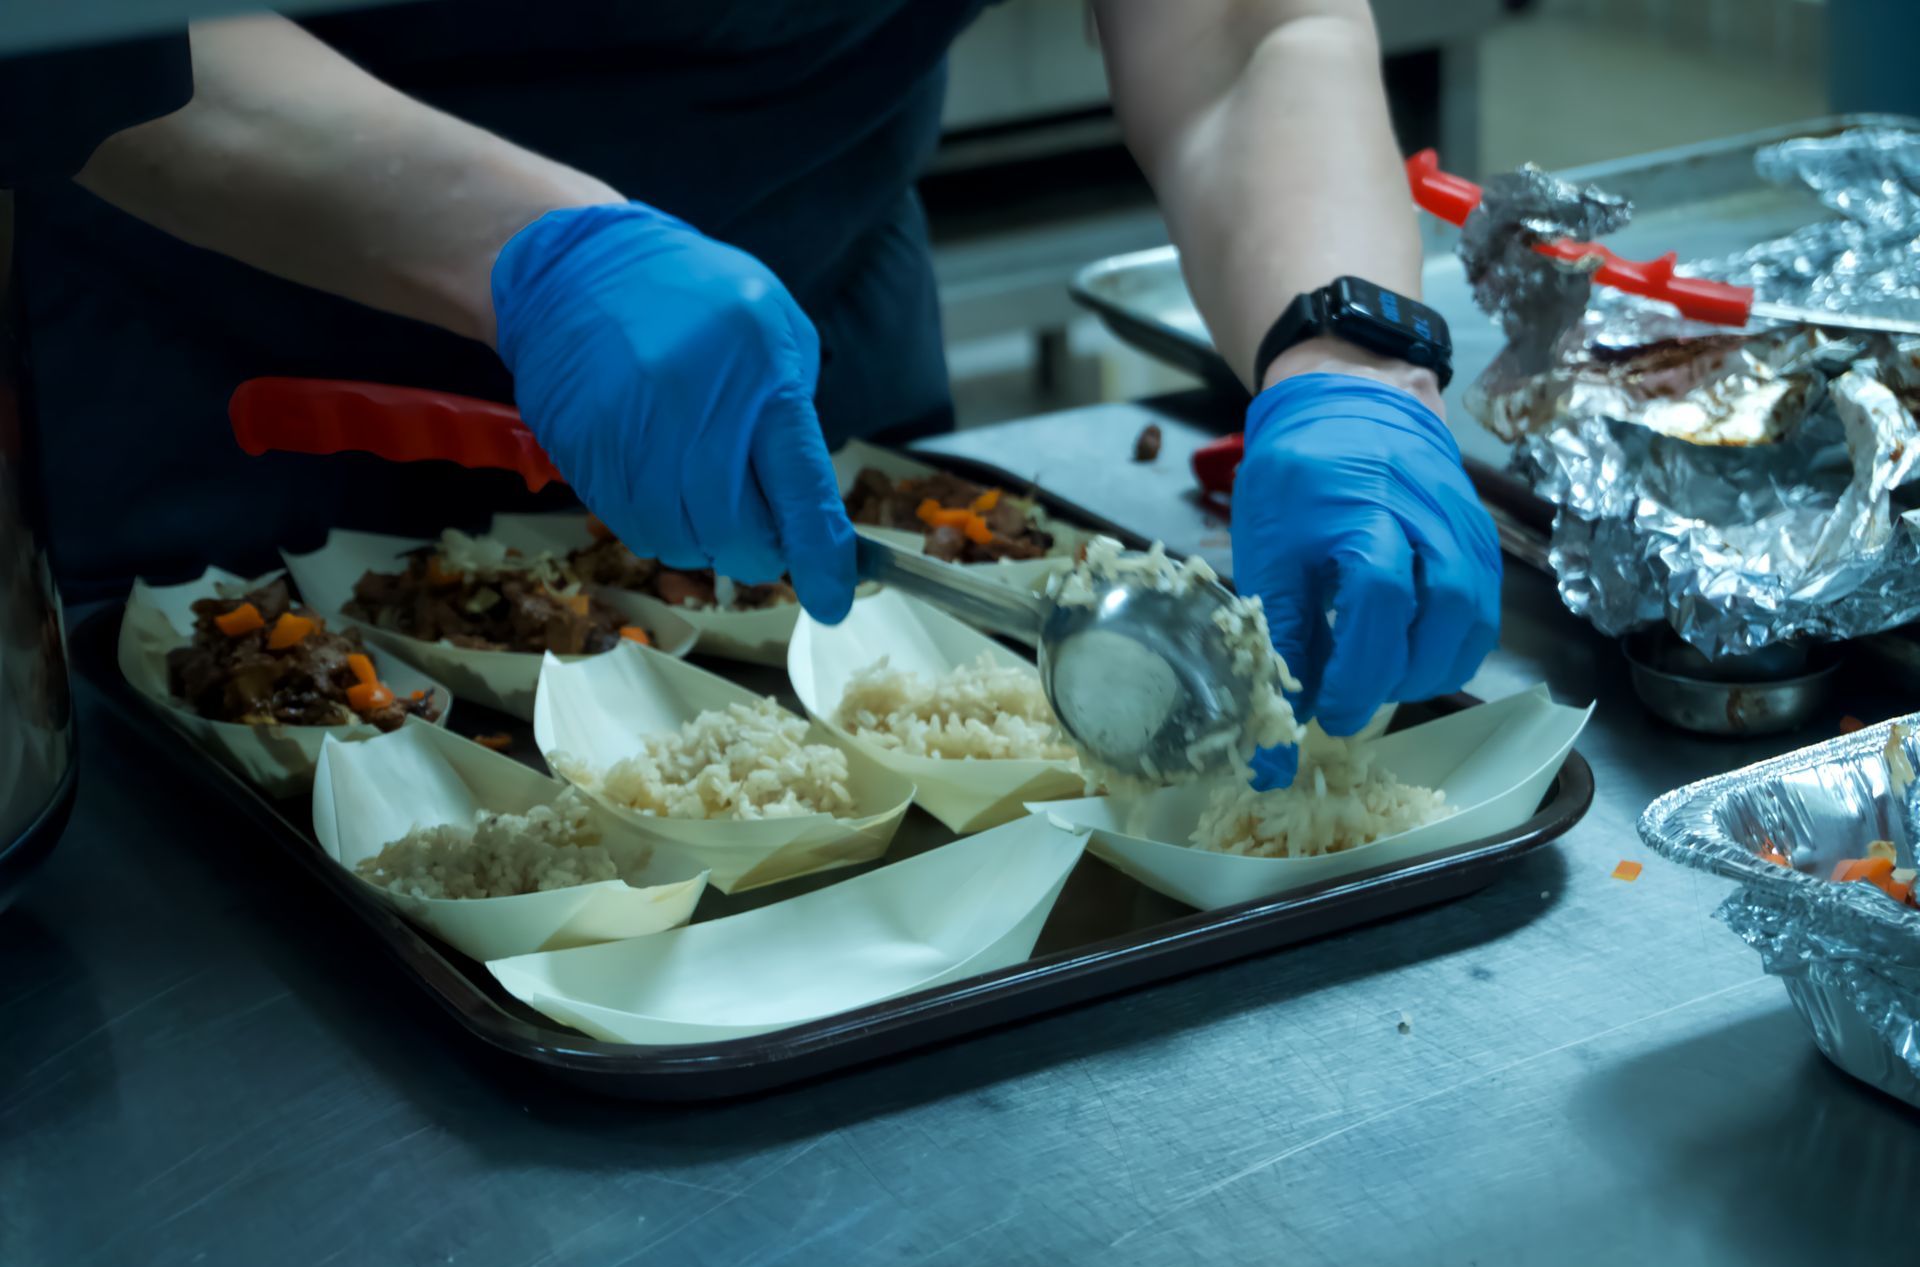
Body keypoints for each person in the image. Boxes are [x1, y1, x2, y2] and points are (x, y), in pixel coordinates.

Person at [7, 1, 1499, 787]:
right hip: (226, 389)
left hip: (809, 374)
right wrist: (530, 251)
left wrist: (1347, 355)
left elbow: (1242, 26)